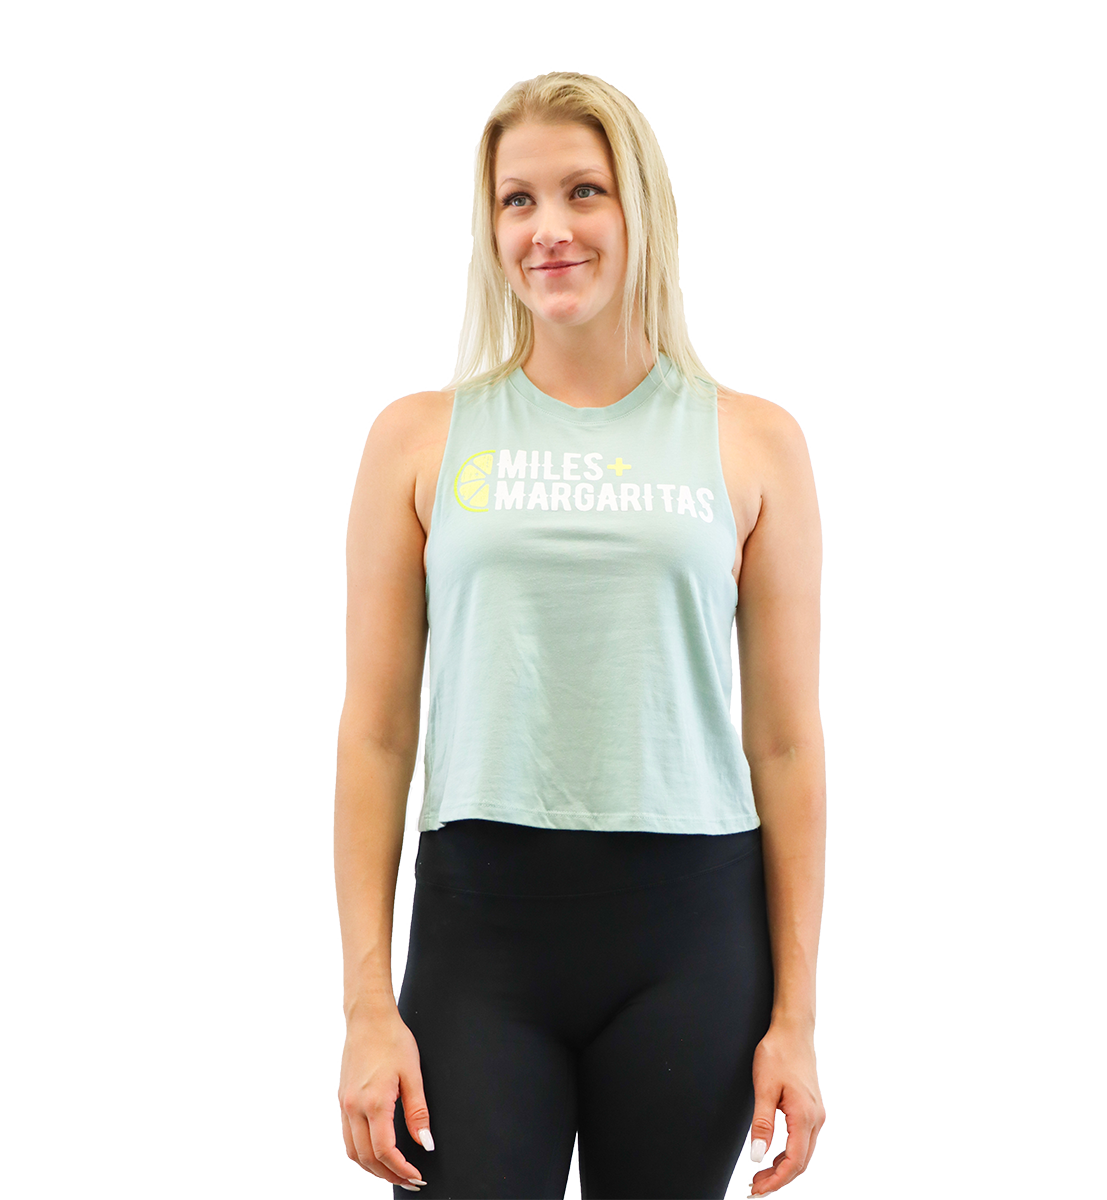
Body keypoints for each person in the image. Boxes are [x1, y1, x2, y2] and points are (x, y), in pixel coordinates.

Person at [333, 72, 826, 1199]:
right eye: (518, 200)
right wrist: (365, 1006)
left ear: (639, 206)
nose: (548, 228)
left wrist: (796, 1020)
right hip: (480, 933)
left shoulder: (753, 443)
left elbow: (788, 744)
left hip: (692, 938)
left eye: (582, 191)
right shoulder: (419, 439)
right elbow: (376, 736)